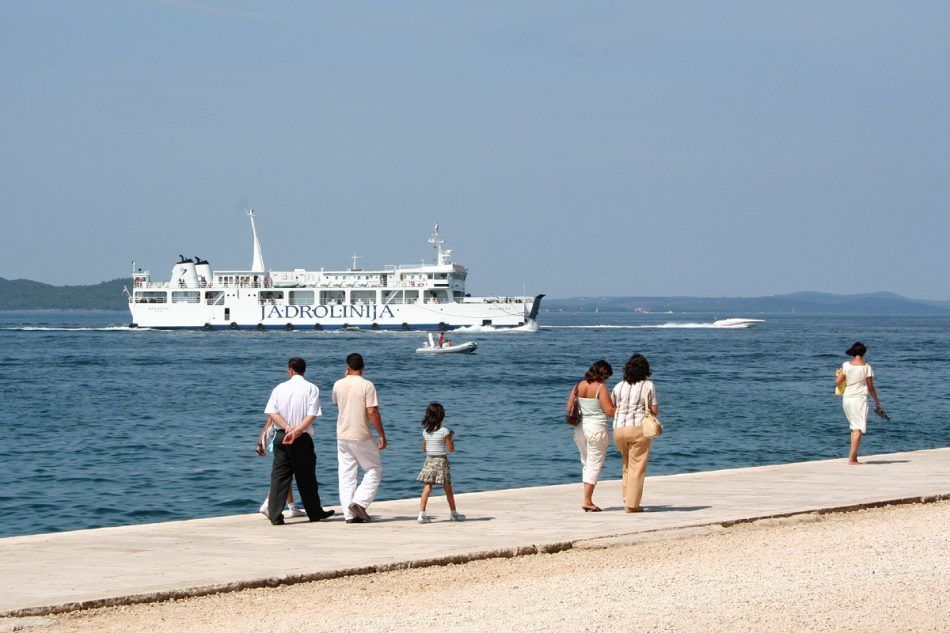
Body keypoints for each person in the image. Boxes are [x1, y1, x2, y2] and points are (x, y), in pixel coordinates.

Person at [263, 357, 335, 525]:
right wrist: (297, 431)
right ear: (304, 370)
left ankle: (275, 515)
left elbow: (272, 413)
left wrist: (288, 428)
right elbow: (312, 415)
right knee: (307, 477)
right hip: (301, 437)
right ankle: (315, 513)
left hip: (281, 436)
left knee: (279, 476)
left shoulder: (279, 388)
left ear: (290, 370)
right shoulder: (311, 388)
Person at [332, 353, 387, 524]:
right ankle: (360, 503)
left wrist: (344, 378)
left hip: (342, 434)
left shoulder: (338, 384)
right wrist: (381, 435)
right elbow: (372, 412)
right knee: (374, 468)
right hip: (361, 433)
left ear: (347, 366)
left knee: (346, 474)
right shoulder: (367, 385)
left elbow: (337, 403)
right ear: (363, 367)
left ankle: (350, 515)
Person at [565, 360, 616, 512]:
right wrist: (618, 407)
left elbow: (569, 408)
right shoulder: (601, 388)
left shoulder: (578, 385)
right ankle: (587, 500)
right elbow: (609, 412)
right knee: (594, 464)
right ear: (604, 374)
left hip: (580, 429)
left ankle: (587, 498)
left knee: (586, 462)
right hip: (596, 429)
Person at [611, 354, 658, 513]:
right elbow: (654, 410)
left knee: (626, 464)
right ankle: (632, 505)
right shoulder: (648, 385)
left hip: (619, 429)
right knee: (637, 466)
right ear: (645, 370)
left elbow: (613, 407)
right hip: (638, 428)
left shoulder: (618, 386)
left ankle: (627, 497)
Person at [416, 402, 465, 524]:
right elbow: (451, 449)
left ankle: (421, 514)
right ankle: (453, 513)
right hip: (441, 462)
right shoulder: (444, 431)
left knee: (427, 487)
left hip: (429, 461)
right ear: (441, 417)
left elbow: (423, 449)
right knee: (448, 489)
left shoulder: (425, 432)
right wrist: (450, 438)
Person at [835, 342, 883, 465]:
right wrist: (877, 402)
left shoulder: (846, 365)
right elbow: (871, 387)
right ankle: (851, 458)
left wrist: (844, 376)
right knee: (858, 428)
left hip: (847, 398)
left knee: (854, 427)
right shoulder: (867, 367)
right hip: (859, 399)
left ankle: (854, 457)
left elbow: (838, 381)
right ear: (863, 353)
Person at [256, 415, 305, 518]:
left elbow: (268, 424)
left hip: (278, 440)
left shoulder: (278, 403)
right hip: (288, 439)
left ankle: (291, 507)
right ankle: (268, 503)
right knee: (284, 476)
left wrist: (260, 443)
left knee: (286, 475)